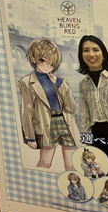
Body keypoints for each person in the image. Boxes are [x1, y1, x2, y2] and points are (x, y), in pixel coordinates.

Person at [19, 37, 79, 170]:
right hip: (45, 124)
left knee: (71, 165)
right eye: (44, 60)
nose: (48, 66)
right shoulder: (26, 82)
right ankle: (36, 182)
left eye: (52, 62)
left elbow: (72, 108)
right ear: (33, 59)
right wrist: (30, 137)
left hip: (66, 123)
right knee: (44, 163)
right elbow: (27, 111)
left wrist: (61, 85)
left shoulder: (61, 81)